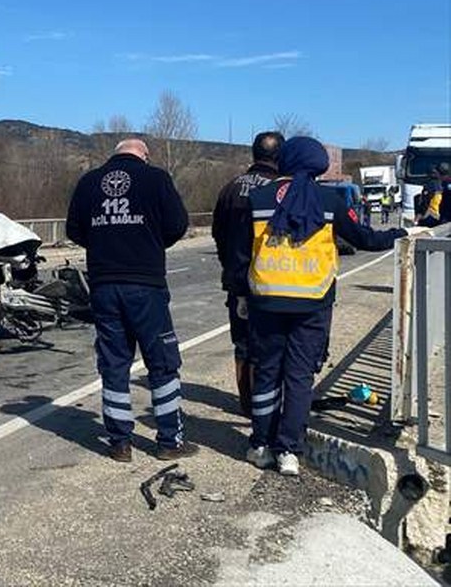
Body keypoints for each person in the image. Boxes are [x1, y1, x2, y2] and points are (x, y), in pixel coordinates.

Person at [235, 137, 411, 476]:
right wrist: (401, 233)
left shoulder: (257, 199)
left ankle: (259, 445)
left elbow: (241, 254)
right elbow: (364, 239)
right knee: (299, 377)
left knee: (267, 373)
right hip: (312, 302)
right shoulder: (328, 201)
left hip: (266, 300)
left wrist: (242, 295)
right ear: (316, 164)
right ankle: (288, 451)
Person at [66, 138, 197, 462]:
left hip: (104, 284)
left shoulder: (88, 182)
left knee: (114, 363)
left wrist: (103, 243)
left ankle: (119, 443)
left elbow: (74, 230)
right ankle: (169, 439)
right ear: (145, 156)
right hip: (145, 284)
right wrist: (150, 241)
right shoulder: (156, 179)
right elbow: (178, 225)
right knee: (162, 362)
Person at [212, 131, 285, 415]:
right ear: (280, 157)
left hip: (237, 281)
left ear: (254, 154)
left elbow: (218, 234)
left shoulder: (230, 188)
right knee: (271, 346)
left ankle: (246, 404)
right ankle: (266, 406)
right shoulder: (279, 189)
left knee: (242, 344)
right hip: (272, 280)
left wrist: (229, 266)